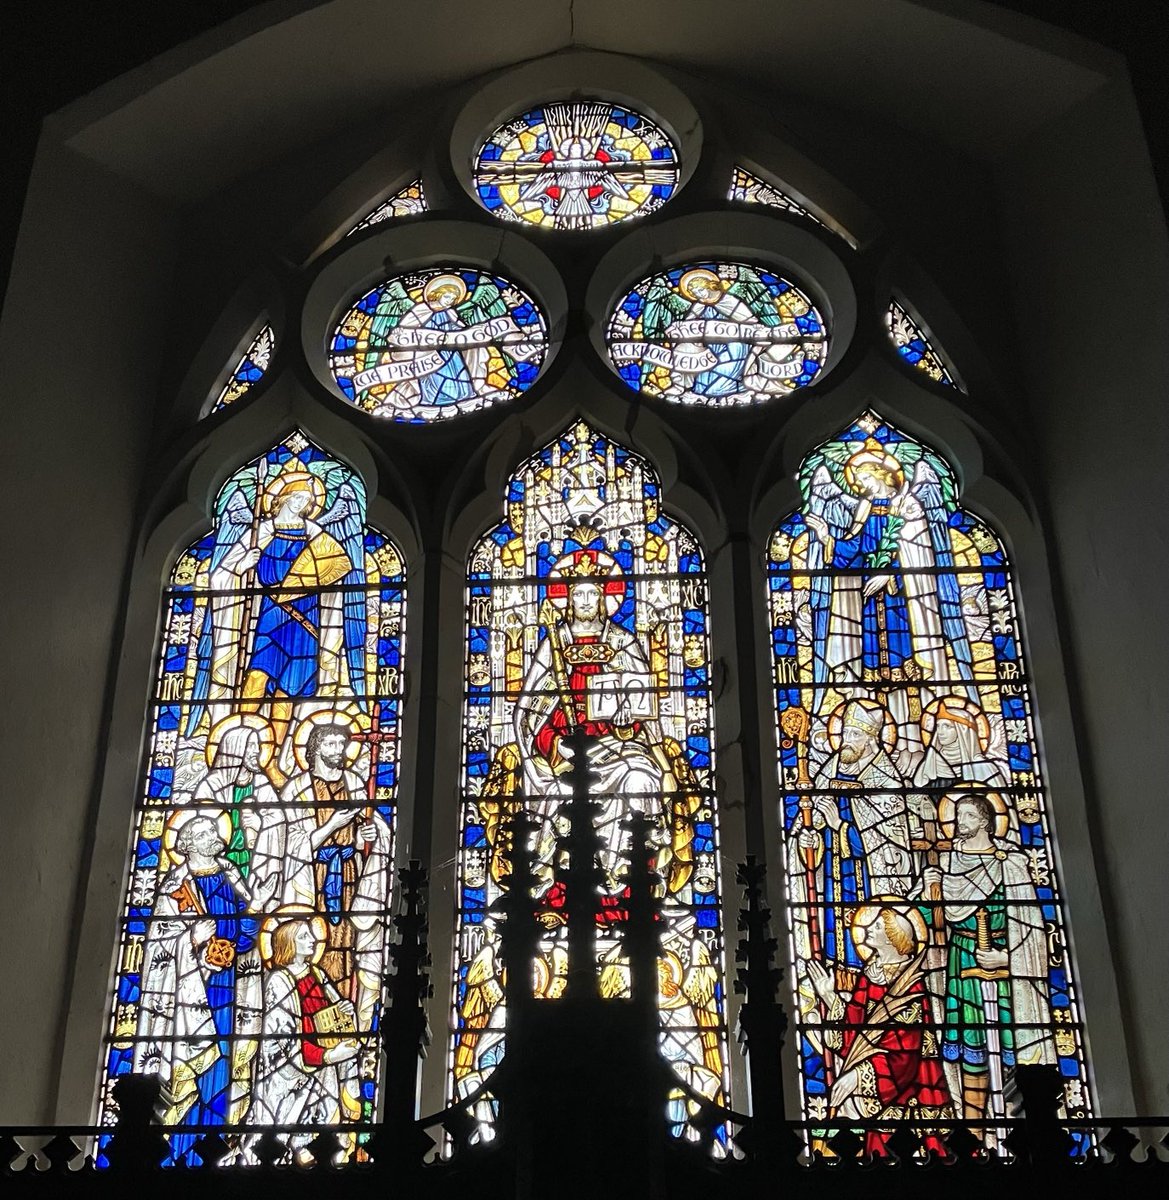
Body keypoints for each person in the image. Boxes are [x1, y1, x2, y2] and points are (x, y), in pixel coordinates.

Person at [799, 443, 979, 762]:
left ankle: (911, 742)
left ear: (880, 475)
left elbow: (917, 551)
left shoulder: (907, 507)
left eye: (865, 480)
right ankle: (882, 740)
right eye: (858, 482)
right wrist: (827, 537)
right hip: (869, 602)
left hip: (900, 601)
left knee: (903, 671)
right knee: (874, 670)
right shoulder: (864, 508)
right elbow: (852, 549)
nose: (861, 486)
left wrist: (892, 574)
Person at [134, 813, 277, 1153]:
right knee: (192, 1071)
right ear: (185, 845)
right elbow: (159, 947)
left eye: (214, 830)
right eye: (204, 833)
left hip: (229, 988)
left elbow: (244, 940)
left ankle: (217, 1147)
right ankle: (177, 1153)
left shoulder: (230, 876)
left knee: (222, 1067)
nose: (214, 836)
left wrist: (254, 907)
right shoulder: (173, 888)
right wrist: (191, 940)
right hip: (187, 996)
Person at [920, 793, 1054, 1126]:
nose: (958, 821)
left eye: (965, 815)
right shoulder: (947, 863)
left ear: (984, 820)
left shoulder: (1009, 862)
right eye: (957, 815)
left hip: (1005, 968)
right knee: (971, 1051)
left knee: (1014, 1047)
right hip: (961, 959)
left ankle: (1024, 1125)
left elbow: (1029, 929)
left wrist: (1005, 959)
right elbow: (930, 917)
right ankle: (974, 1130)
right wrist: (927, 894)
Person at [252, 721, 392, 1031]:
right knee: (313, 944)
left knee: (347, 947)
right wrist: (331, 826)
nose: (338, 751)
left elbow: (372, 834)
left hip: (349, 879)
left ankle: (343, 1019)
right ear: (314, 749)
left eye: (342, 745)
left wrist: (364, 837)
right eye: (331, 745)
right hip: (310, 880)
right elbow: (293, 843)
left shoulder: (355, 783)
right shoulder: (297, 788)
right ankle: (309, 1021)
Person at [206, 472, 355, 751]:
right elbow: (222, 575)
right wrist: (242, 566)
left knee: (290, 690)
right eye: (297, 497)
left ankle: (271, 756)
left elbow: (335, 567)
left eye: (307, 500)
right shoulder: (260, 531)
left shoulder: (315, 534)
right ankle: (241, 746)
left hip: (306, 616)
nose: (302, 503)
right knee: (257, 676)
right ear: (282, 498)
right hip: (272, 613)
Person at [806, 905, 953, 1151]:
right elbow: (855, 1034)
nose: (868, 928)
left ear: (892, 937)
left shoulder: (911, 985)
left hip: (909, 1097)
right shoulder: (870, 975)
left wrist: (858, 1076)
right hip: (882, 1095)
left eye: (877, 926)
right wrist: (830, 997)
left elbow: (906, 1054)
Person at [791, 700, 913, 975]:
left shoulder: (886, 780)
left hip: (870, 878)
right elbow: (809, 823)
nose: (846, 740)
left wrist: (839, 826)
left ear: (872, 740)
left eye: (855, 734)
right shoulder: (831, 770)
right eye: (845, 733)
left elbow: (887, 843)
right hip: (833, 875)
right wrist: (809, 841)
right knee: (836, 929)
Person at [249, 915, 362, 1153]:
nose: (312, 940)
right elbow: (282, 1041)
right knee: (292, 1146)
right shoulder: (279, 981)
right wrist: (328, 1056)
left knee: (327, 1141)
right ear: (288, 943)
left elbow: (332, 1013)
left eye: (310, 934)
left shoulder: (318, 974)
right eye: (304, 936)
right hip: (296, 1074)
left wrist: (344, 1009)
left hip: (325, 1067)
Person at [193, 721, 280, 875]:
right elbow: (198, 826)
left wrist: (260, 823)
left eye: (257, 745)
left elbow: (278, 820)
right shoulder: (210, 786)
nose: (256, 751)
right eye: (250, 746)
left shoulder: (262, 783)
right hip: (220, 861)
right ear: (234, 749)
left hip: (257, 858)